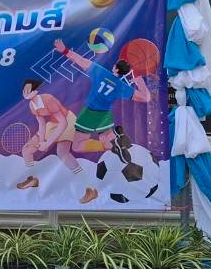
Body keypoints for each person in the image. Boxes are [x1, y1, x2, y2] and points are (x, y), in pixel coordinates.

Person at [53, 38, 150, 204]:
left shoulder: (100, 72)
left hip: (89, 115)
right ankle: (114, 144)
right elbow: (146, 97)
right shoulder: (121, 86)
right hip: (105, 116)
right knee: (107, 142)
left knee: (77, 146)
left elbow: (80, 60)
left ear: (115, 68)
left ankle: (110, 146)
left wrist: (64, 50)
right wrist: (139, 81)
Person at [15, 77, 83, 191]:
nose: (25, 93)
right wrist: (42, 141)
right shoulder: (32, 105)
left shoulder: (48, 99)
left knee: (62, 152)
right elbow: (41, 124)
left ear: (36, 91)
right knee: (27, 150)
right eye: (24, 90)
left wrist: (47, 143)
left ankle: (87, 185)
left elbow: (63, 123)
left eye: (28, 90)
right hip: (52, 124)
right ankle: (33, 179)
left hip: (67, 120)